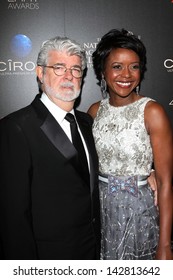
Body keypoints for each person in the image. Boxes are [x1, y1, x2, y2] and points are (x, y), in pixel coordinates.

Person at [0, 36, 100, 260]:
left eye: (76, 69)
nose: (69, 76)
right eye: (59, 67)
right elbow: (13, 218)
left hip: (93, 255)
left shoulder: (87, 123)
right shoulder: (16, 128)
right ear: (40, 73)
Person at [88, 28, 173, 260]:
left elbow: (165, 183)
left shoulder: (152, 112)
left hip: (139, 213)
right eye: (117, 66)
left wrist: (165, 246)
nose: (126, 75)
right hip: (101, 212)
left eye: (134, 66)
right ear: (102, 71)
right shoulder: (94, 112)